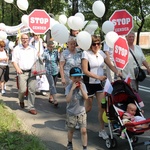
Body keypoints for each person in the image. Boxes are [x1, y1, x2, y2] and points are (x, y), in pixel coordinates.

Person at [81, 35, 121, 140]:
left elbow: (110, 65)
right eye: (94, 44)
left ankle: (102, 130)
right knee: (88, 108)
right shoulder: (86, 54)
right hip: (89, 83)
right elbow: (85, 71)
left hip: (99, 84)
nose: (96, 46)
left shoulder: (102, 53)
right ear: (90, 45)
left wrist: (118, 72)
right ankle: (78, 119)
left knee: (102, 108)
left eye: (98, 43)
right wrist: (98, 76)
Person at [12, 33, 38, 115]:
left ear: (29, 39)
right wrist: (18, 69)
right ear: (21, 39)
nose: (25, 40)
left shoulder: (33, 49)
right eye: (23, 38)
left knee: (32, 90)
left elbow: (37, 60)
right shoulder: (17, 49)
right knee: (22, 90)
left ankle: (31, 107)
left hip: (32, 71)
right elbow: (14, 61)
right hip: (22, 72)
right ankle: (21, 100)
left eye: (26, 38)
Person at [65, 67, 88, 150]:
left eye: (79, 77)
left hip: (81, 112)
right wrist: (72, 89)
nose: (77, 79)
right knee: (71, 130)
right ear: (70, 78)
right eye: (75, 77)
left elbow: (86, 98)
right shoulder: (68, 87)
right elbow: (67, 100)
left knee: (84, 131)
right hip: (71, 113)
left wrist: (81, 89)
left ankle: (85, 147)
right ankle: (70, 143)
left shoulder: (83, 86)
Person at [42, 41, 59, 106]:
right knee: (52, 85)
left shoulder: (56, 52)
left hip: (55, 70)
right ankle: (55, 100)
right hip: (48, 71)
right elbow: (42, 60)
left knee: (53, 85)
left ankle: (51, 96)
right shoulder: (45, 52)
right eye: (50, 46)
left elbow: (58, 60)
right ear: (48, 46)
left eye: (53, 46)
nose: (52, 48)